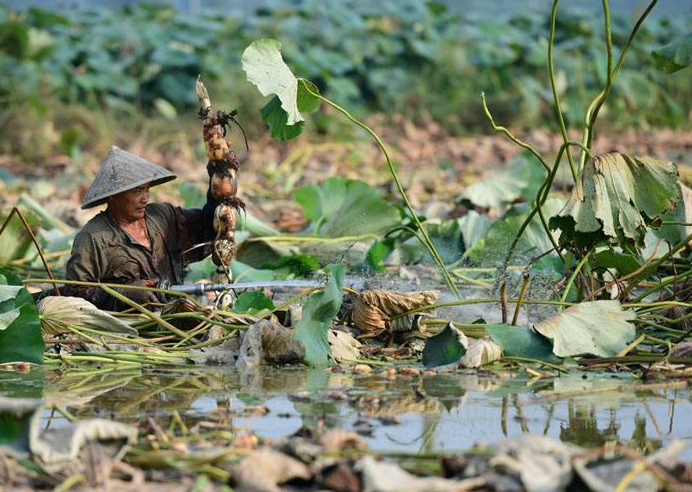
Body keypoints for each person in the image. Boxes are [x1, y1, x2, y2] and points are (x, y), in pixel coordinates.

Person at [64, 146, 217, 310]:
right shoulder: (93, 237)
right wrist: (124, 294)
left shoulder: (162, 215)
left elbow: (207, 226)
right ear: (113, 195)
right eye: (137, 191)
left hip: (175, 315)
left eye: (147, 189)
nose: (145, 198)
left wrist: (218, 175)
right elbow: (75, 293)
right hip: (131, 327)